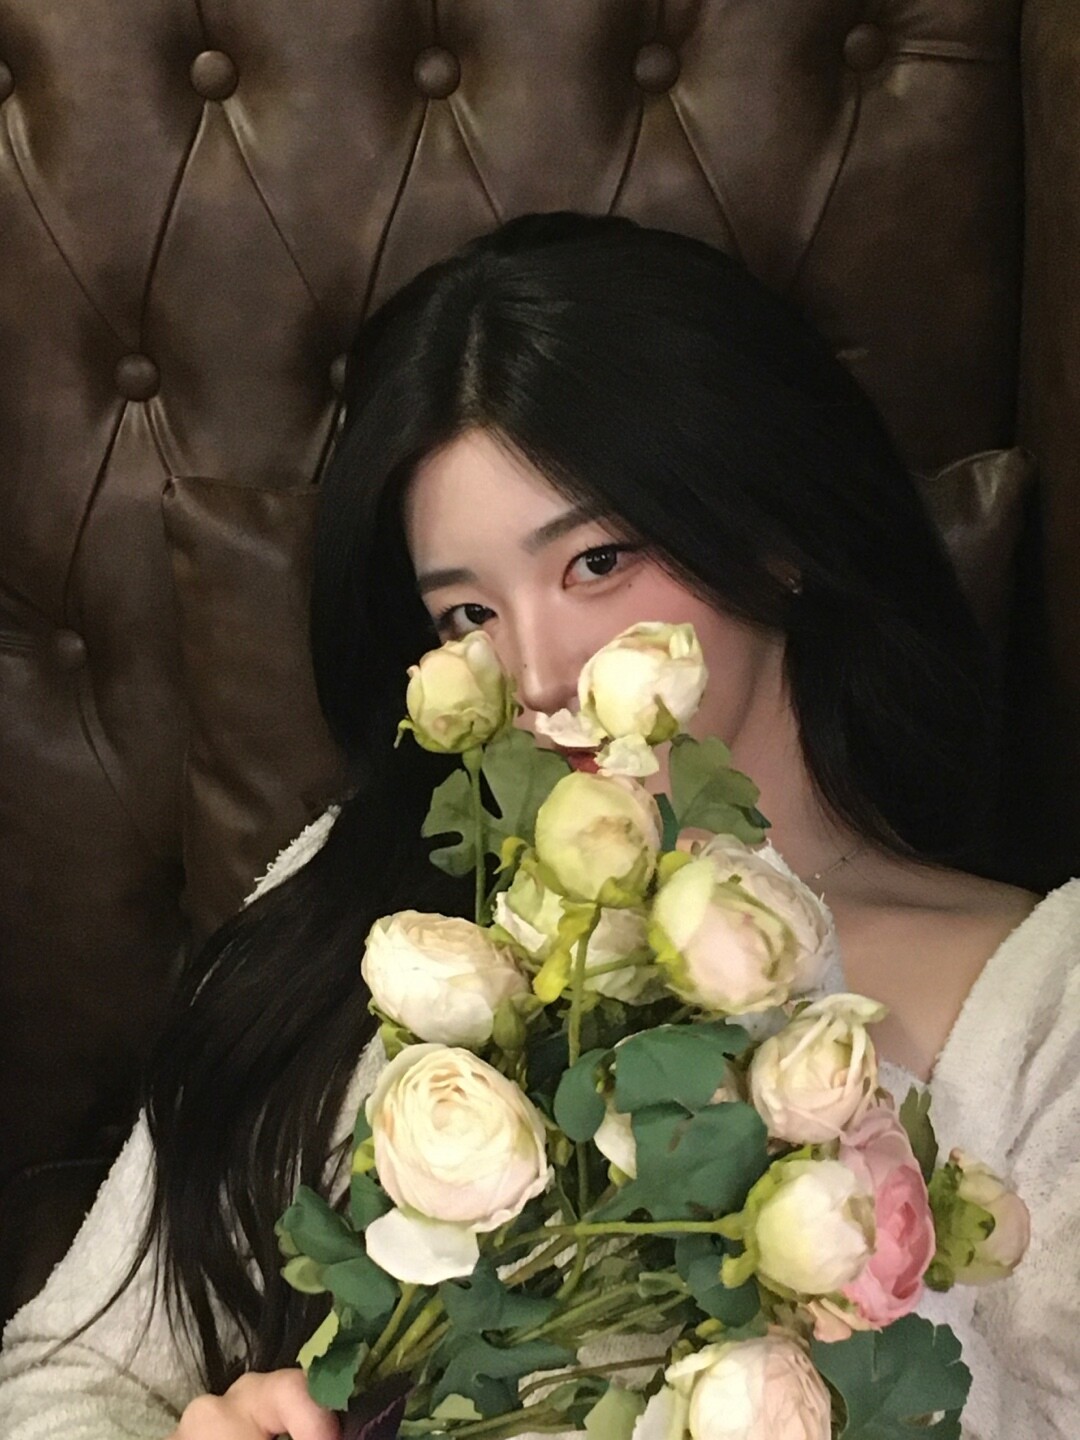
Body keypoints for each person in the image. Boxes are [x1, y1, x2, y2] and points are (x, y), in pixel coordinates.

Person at [1, 213, 1077, 1440]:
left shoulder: (1043, 1000)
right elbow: (62, 1380)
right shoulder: (378, 914)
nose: (540, 672)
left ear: (772, 535)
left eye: (597, 562)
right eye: (467, 615)